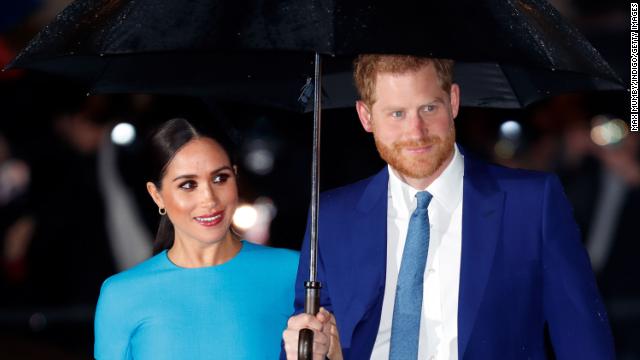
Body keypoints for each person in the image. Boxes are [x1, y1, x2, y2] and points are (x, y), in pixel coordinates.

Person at [282, 55, 614, 359]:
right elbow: (308, 339)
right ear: (366, 116)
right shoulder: (332, 216)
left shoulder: (530, 202)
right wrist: (311, 349)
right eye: (397, 114)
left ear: (453, 101)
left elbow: (583, 338)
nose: (417, 132)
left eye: (429, 108)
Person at [94, 118, 298, 359]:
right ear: (156, 195)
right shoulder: (121, 295)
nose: (209, 199)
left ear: (235, 176)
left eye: (220, 178)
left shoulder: (294, 271)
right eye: (188, 184)